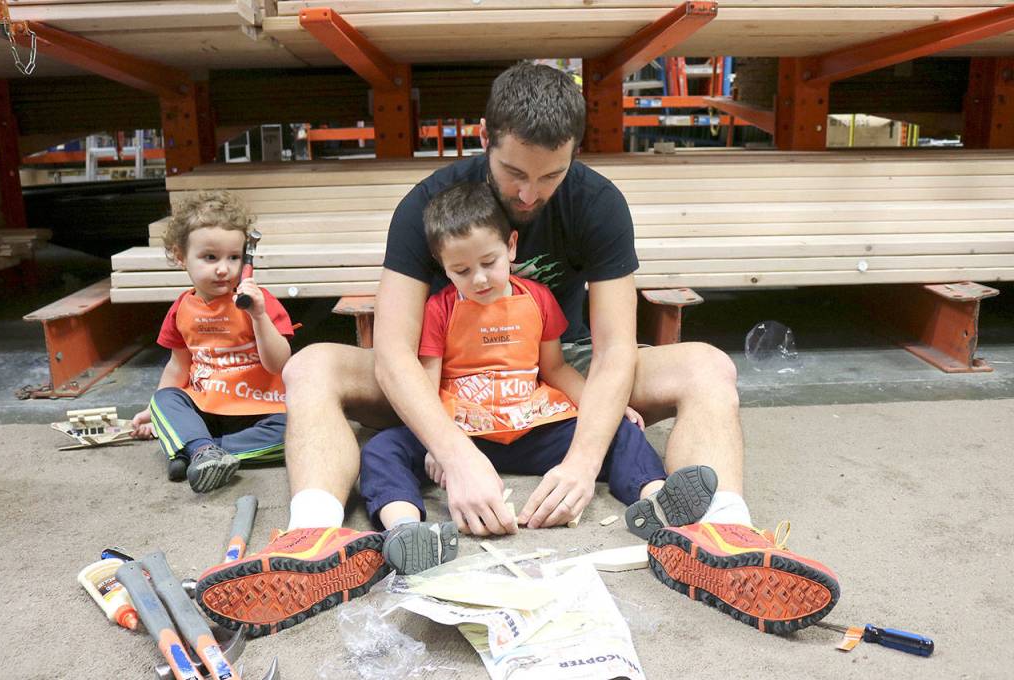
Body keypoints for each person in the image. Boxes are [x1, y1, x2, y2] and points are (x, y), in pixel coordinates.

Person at [194, 63, 838, 637]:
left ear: (574, 155)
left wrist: (585, 461)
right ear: (484, 139)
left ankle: (719, 538)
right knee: (311, 364)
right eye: (514, 174)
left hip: (554, 373)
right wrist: (455, 452)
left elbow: (616, 350)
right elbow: (393, 354)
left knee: (708, 365)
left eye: (551, 175)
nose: (531, 194)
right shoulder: (430, 206)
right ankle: (314, 534)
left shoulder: (598, 202)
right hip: (447, 380)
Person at [360, 181, 717, 575]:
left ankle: (658, 502)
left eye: (489, 262)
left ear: (511, 247)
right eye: (461, 270)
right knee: (380, 450)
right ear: (441, 265)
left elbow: (556, 368)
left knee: (618, 432)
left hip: (531, 422)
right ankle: (406, 529)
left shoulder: (537, 298)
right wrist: (438, 445)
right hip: (463, 432)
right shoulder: (438, 309)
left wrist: (603, 406)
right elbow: (426, 380)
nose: (479, 279)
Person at [130, 190, 294, 493]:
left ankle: (196, 450)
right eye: (210, 257)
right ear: (181, 257)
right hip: (207, 409)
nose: (223, 268)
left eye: (233, 257)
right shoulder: (181, 308)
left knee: (297, 432)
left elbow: (279, 364)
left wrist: (259, 317)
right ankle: (202, 448)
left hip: (259, 411)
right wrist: (155, 413)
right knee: (165, 399)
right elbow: (178, 368)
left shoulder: (260, 303)